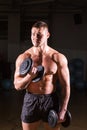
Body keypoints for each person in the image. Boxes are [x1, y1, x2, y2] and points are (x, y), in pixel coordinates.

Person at [14, 21, 70, 130]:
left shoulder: (58, 57)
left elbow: (66, 86)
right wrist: (29, 76)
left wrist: (63, 110)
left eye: (39, 34)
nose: (35, 37)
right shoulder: (24, 57)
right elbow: (17, 85)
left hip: (51, 100)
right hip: (31, 100)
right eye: (33, 34)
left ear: (47, 35)